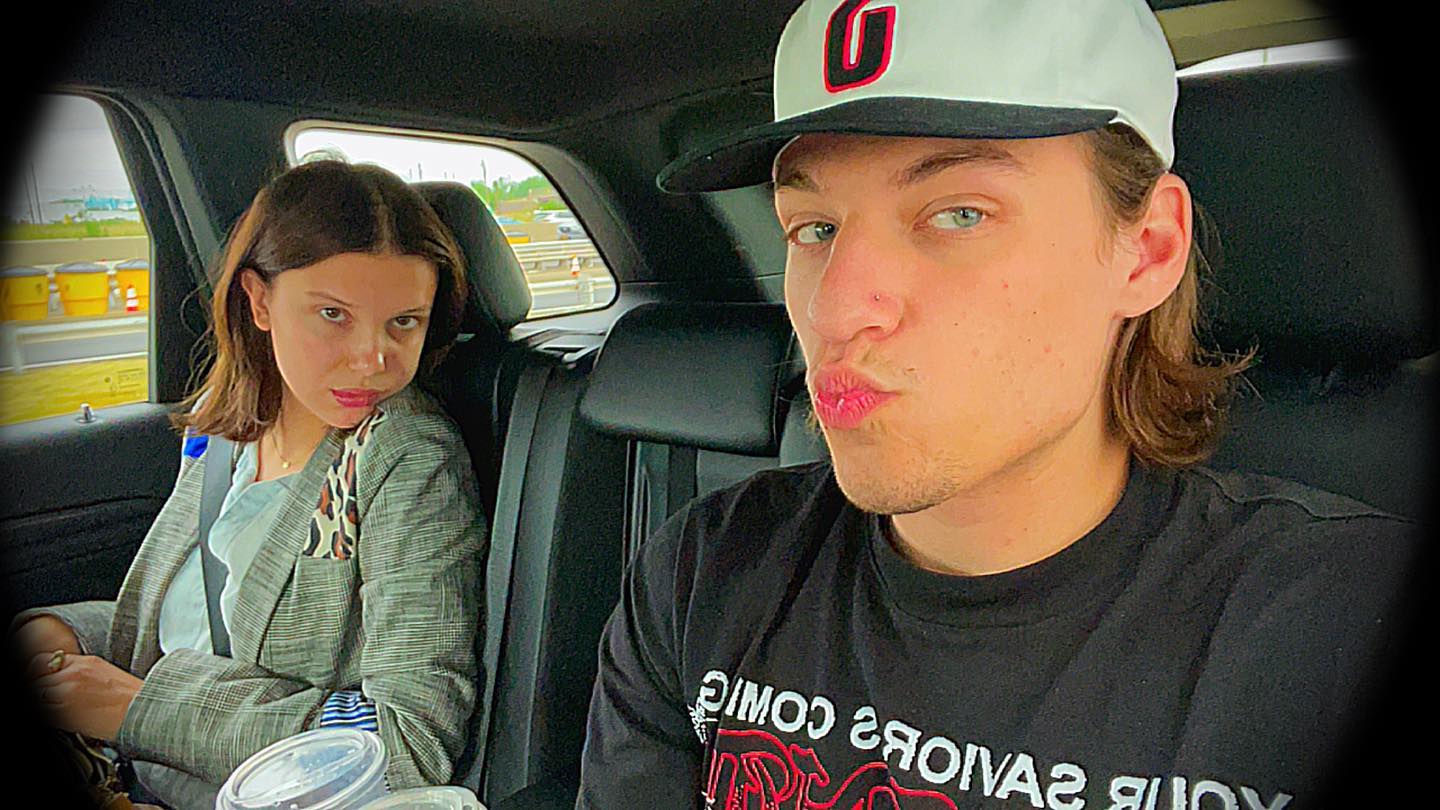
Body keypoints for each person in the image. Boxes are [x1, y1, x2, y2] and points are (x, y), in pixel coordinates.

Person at [576, 1, 1419, 808]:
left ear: (1146, 251)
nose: (832, 312)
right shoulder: (705, 574)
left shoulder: (1343, 626)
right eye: (815, 229)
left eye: (959, 214)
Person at [11, 160, 487, 808]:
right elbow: (192, 634)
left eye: (404, 321)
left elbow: (406, 746)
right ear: (259, 302)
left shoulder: (405, 458)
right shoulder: (225, 431)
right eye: (333, 314)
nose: (372, 360)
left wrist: (137, 708)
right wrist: (70, 636)